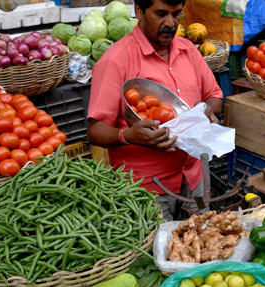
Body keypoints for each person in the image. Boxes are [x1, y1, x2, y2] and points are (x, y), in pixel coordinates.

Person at [87, 0, 224, 220]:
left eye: (176, 14)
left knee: (202, 235)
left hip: (195, 177)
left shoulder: (188, 50)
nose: (170, 23)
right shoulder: (115, 60)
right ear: (139, 11)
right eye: (160, 14)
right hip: (146, 190)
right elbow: (95, 131)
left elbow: (214, 96)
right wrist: (127, 136)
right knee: (157, 241)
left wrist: (204, 111)